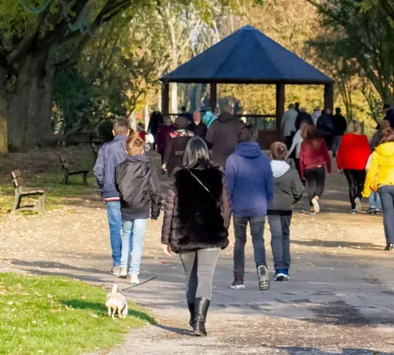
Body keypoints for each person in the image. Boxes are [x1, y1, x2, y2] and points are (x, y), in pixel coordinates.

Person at [160, 138, 230, 337]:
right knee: (205, 277)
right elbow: (227, 207)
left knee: (190, 279)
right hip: (210, 234)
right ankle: (200, 321)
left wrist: (166, 239)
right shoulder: (218, 176)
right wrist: (222, 229)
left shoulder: (179, 178)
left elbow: (169, 210)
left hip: (185, 235)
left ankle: (194, 319)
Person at [225, 124, 275, 291]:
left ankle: (238, 278)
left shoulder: (232, 159)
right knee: (258, 240)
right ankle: (261, 267)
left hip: (239, 206)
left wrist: (228, 205)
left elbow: (229, 187)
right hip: (258, 206)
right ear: (255, 137)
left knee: (239, 241)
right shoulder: (263, 159)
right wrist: (267, 202)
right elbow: (269, 186)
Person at [114, 135, 162, 285]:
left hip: (126, 206)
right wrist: (155, 211)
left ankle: (123, 266)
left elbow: (117, 185)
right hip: (141, 207)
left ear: (127, 151)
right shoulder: (148, 168)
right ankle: (134, 273)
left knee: (126, 235)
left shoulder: (120, 167)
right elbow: (155, 190)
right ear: (142, 151)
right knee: (138, 240)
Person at [362, 127, 394, 250]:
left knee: (388, 213)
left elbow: (371, 172)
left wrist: (366, 190)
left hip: (383, 185)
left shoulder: (377, 152)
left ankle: (389, 242)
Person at [93, 117, 130, 276]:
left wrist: (104, 185)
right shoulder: (132, 147)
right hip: (130, 193)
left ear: (114, 132)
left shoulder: (105, 148)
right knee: (129, 228)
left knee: (115, 228)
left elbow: (97, 170)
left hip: (111, 192)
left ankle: (116, 264)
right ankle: (126, 264)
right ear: (128, 131)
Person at [267, 141, 304, 281]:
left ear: (271, 155)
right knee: (285, 235)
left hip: (271, 207)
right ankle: (285, 268)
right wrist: (292, 200)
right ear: (286, 154)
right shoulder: (292, 172)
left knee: (275, 236)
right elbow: (299, 190)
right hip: (286, 207)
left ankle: (279, 268)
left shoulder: (266, 170)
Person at [298, 123, 334, 213]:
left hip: (308, 167)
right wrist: (329, 168)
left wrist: (301, 172)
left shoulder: (304, 143)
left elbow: (301, 158)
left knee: (311, 186)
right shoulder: (321, 141)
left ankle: (311, 208)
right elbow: (326, 154)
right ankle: (316, 197)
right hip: (319, 166)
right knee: (320, 184)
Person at [336, 121, 371, 213]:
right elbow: (367, 152)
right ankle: (358, 197)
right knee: (361, 185)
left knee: (351, 186)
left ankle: (353, 208)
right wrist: (368, 165)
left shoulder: (346, 137)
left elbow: (341, 152)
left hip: (348, 165)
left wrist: (339, 165)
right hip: (360, 165)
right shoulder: (364, 138)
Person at [205, 100, 241, 167]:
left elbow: (208, 139)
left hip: (218, 158)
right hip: (234, 157)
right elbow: (243, 138)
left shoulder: (215, 123)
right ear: (231, 112)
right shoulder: (238, 124)